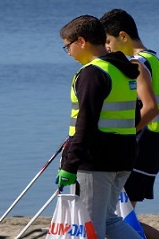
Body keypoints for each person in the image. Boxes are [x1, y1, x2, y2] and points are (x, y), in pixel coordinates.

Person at [56, 14, 145, 239]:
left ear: (81, 41)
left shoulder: (93, 73)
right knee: (107, 218)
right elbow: (133, 115)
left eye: (68, 46)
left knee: (90, 226)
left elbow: (86, 122)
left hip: (95, 161)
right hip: (123, 157)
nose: (68, 53)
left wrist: (69, 164)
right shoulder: (121, 70)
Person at [100, 9, 159, 239]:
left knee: (117, 220)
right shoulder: (153, 59)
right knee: (121, 218)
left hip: (141, 143)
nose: (107, 48)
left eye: (108, 41)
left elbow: (150, 108)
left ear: (123, 36)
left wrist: (122, 134)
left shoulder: (136, 64)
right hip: (151, 143)